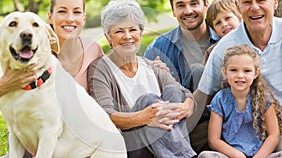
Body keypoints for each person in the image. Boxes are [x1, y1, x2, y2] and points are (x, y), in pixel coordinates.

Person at [0, 0, 103, 157]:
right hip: (32, 148)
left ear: (84, 18)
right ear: (50, 17)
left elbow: (101, 107)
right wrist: (4, 85)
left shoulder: (94, 50)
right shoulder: (26, 59)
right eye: (62, 12)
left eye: (77, 12)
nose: (70, 18)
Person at [88, 0, 196, 157]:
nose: (127, 36)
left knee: (173, 91)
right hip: (132, 147)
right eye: (119, 31)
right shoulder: (100, 69)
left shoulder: (153, 66)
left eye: (133, 29)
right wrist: (143, 117)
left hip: (163, 146)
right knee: (148, 100)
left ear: (140, 32)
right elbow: (105, 115)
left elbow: (183, 92)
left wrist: (187, 105)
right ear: (108, 37)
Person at [193, 0, 282, 152]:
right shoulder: (224, 47)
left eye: (261, 0)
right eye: (247, 2)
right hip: (243, 134)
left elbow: (274, 135)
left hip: (272, 127)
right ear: (237, 4)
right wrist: (183, 106)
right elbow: (203, 96)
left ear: (275, 2)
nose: (254, 7)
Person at [144, 0, 220, 153]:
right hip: (181, 124)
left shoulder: (223, 39)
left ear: (206, 4)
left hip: (219, 120)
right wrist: (160, 76)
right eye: (180, 5)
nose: (188, 11)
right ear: (173, 11)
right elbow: (147, 96)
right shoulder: (157, 48)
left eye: (194, 4)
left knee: (198, 71)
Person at [198, 44, 282, 158]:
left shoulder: (264, 98)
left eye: (247, 71)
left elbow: (274, 135)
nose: (240, 75)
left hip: (262, 154)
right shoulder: (220, 99)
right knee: (206, 156)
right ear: (225, 72)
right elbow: (214, 140)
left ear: (256, 73)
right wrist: (238, 156)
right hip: (231, 155)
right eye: (233, 70)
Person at [203, 0, 242, 64]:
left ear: (239, 17)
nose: (224, 24)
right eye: (218, 23)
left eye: (228, 18)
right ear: (214, 31)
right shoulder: (213, 52)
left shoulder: (253, 40)